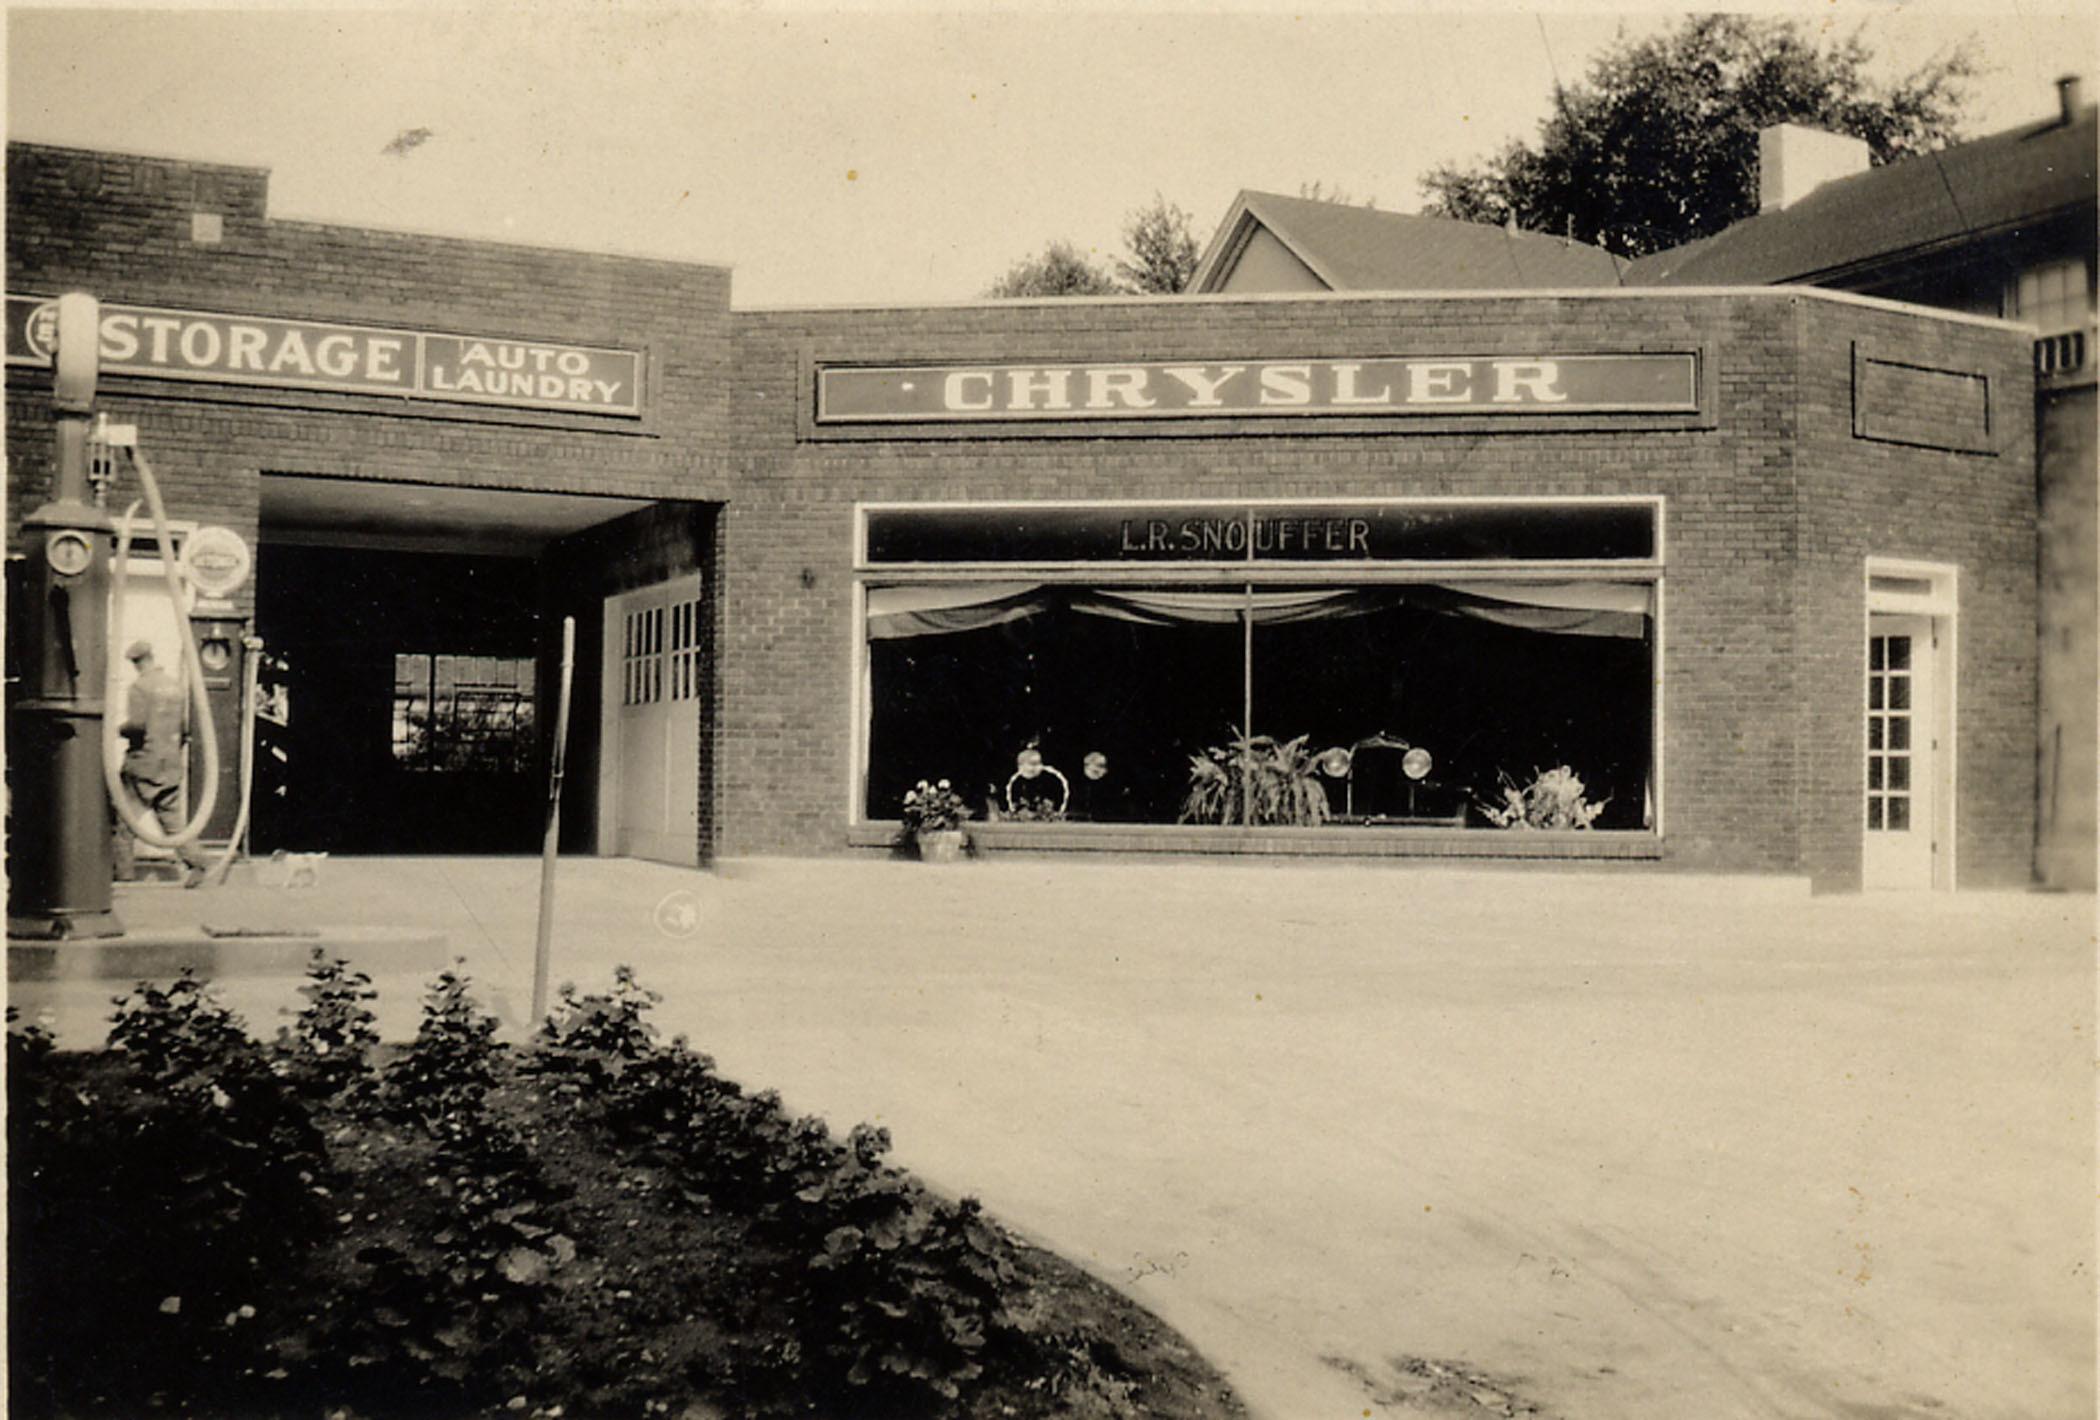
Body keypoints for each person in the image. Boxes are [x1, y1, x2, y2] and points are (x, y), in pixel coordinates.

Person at [115, 640, 211, 887]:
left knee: (123, 820)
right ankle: (197, 862)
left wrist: (117, 729)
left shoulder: (139, 687)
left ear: (137, 662)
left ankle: (123, 875)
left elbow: (137, 726)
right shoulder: (174, 687)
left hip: (143, 765)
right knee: (173, 822)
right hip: (170, 765)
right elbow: (184, 728)